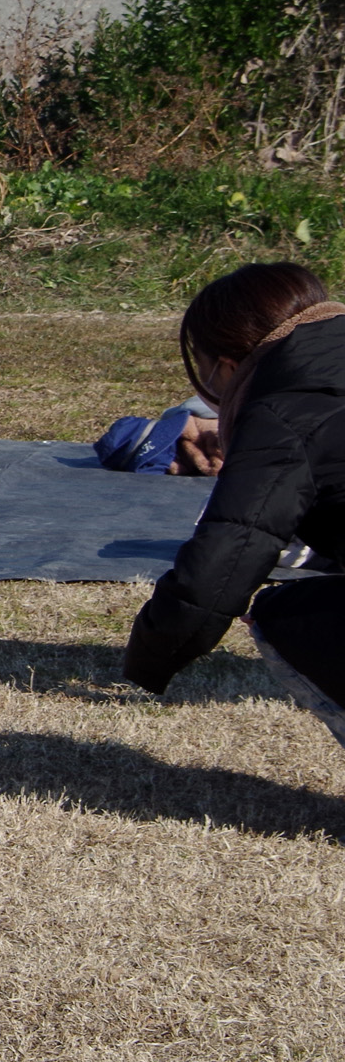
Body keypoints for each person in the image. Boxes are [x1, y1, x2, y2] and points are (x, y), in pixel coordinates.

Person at [123, 263, 345, 750]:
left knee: (279, 615)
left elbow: (223, 563)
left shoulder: (283, 413)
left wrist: (147, 659)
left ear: (227, 365)